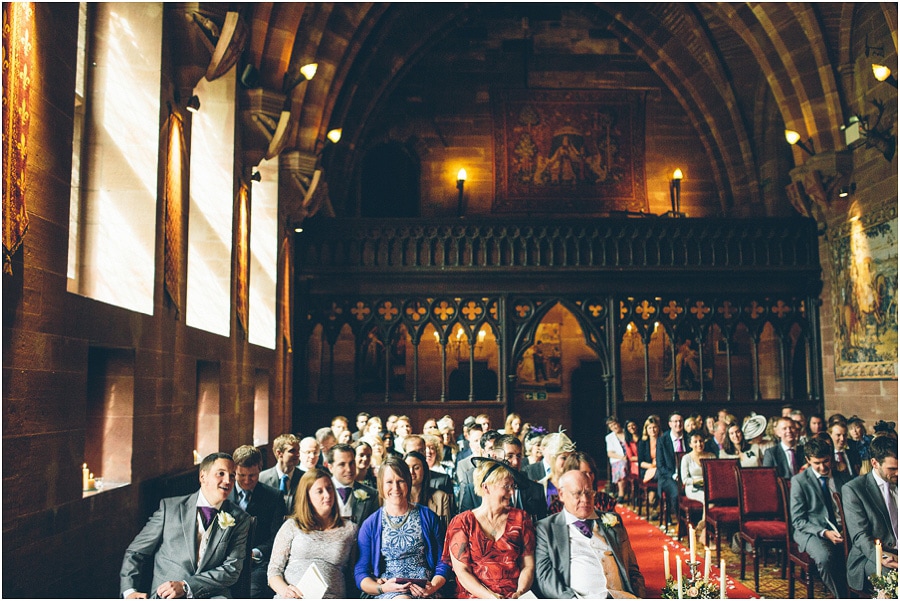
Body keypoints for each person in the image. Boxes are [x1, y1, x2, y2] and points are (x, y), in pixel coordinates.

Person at [120, 453, 252, 599]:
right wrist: (129, 591)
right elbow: (136, 552)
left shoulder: (240, 519)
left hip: (211, 595)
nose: (227, 480)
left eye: (232, 476)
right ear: (203, 477)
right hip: (166, 594)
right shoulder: (169, 509)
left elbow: (231, 569)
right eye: (221, 473)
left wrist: (186, 586)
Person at [534, 470, 646, 599]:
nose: (585, 499)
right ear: (561, 494)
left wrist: (640, 596)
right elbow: (545, 577)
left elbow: (633, 570)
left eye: (588, 493)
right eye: (577, 494)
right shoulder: (545, 529)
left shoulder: (613, 521)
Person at [354, 456, 450, 599]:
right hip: (390, 591)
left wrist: (433, 587)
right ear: (380, 484)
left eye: (401, 481)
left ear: (409, 482)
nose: (395, 488)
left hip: (426, 589)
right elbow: (361, 571)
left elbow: (444, 560)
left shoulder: (428, 516)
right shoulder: (371, 524)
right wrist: (381, 588)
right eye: (389, 482)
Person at [442, 459, 536, 599]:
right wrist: (491, 597)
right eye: (506, 486)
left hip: (513, 595)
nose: (511, 492)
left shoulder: (521, 519)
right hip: (474, 595)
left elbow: (528, 565)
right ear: (486, 487)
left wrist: (520, 593)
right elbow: (462, 572)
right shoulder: (462, 522)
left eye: (513, 486)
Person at [267, 468, 358, 599]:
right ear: (308, 497)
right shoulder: (291, 526)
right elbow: (273, 572)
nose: (327, 495)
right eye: (319, 491)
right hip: (292, 597)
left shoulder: (350, 529)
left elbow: (357, 572)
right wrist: (286, 590)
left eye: (329, 488)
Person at [788, 436, 852, 598]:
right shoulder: (799, 481)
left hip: (842, 529)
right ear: (808, 460)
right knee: (825, 557)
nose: (823, 467)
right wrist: (825, 533)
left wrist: (847, 529)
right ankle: (843, 597)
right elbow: (798, 520)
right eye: (817, 463)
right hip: (811, 531)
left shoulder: (843, 477)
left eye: (826, 461)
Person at [842, 435, 899, 594]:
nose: (898, 473)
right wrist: (887, 558)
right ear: (874, 463)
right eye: (892, 469)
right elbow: (860, 536)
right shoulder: (854, 489)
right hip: (872, 556)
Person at [229, 445, 286, 599]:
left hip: (257, 564)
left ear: (260, 469)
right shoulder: (223, 495)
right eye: (241, 475)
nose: (247, 481)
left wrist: (255, 552)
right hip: (225, 561)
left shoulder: (274, 497)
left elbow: (277, 537)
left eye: (252, 475)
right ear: (234, 471)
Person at [549, 452, 617, 514]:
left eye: (591, 473)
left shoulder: (604, 500)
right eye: (583, 473)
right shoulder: (558, 506)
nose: (589, 477)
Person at [326, 443, 378, 524]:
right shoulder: (320, 492)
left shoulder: (372, 495)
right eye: (342, 464)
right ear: (330, 467)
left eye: (351, 463)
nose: (349, 469)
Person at [404, 451, 452, 529]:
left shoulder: (440, 497)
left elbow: (446, 530)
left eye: (416, 468)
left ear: (424, 470)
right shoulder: (397, 498)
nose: (411, 472)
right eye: (407, 468)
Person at [260, 433, 302, 513]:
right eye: (292, 451)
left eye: (298, 450)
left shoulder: (304, 477)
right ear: (279, 453)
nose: (298, 454)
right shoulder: (262, 478)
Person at [657, 411, 685, 525]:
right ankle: (682, 523)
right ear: (670, 424)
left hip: (686, 475)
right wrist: (674, 475)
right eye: (675, 422)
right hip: (668, 477)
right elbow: (660, 466)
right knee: (676, 493)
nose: (678, 424)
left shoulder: (689, 438)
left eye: (680, 421)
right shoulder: (662, 440)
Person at [637, 416, 660, 509]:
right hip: (647, 469)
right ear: (646, 429)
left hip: (660, 469)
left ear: (658, 428)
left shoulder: (663, 440)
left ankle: (654, 501)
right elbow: (641, 462)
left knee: (661, 474)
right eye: (650, 428)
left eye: (654, 427)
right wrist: (652, 465)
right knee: (661, 475)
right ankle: (655, 502)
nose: (652, 430)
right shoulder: (642, 442)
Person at [605, 417, 629, 503]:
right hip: (618, 460)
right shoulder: (609, 437)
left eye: (614, 424)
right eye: (611, 426)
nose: (614, 427)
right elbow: (610, 453)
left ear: (618, 423)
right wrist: (622, 458)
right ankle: (621, 494)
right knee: (622, 466)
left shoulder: (627, 432)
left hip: (632, 458)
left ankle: (625, 493)